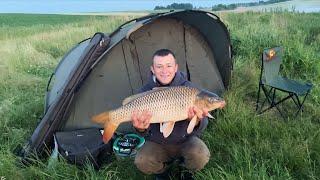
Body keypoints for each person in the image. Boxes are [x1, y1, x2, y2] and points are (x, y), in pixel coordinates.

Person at [132, 49, 211, 180]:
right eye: (159, 66)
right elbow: (141, 132)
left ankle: (186, 172)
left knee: (200, 155)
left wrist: (196, 121)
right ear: (152, 69)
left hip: (185, 141)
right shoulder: (144, 92)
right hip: (158, 143)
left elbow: (203, 125)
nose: (164, 71)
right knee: (142, 160)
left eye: (169, 66)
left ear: (175, 68)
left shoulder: (190, 90)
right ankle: (163, 173)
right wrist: (140, 128)